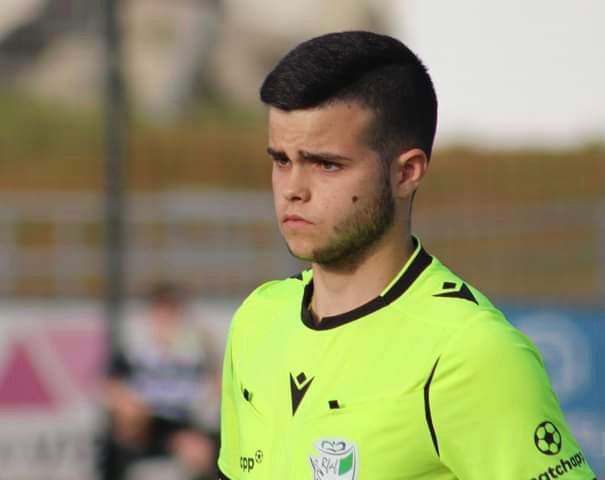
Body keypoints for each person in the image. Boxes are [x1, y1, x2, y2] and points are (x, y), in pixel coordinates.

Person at [217, 31, 595, 479]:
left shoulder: (470, 353)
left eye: (326, 164)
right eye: (281, 160)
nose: (293, 189)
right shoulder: (257, 320)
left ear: (407, 172)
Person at [98, 282, 220, 480]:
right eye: (160, 311)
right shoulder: (135, 347)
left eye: (171, 311)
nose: (166, 318)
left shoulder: (197, 347)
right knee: (126, 421)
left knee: (199, 451)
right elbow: (110, 386)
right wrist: (130, 404)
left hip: (182, 422)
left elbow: (217, 383)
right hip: (145, 422)